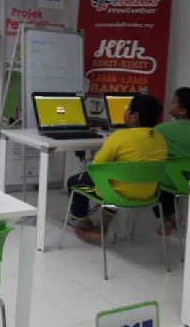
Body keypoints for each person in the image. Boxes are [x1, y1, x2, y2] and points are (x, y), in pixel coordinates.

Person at [67, 93, 167, 244]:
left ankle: (83, 224)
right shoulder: (160, 138)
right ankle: (102, 228)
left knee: (74, 182)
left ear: (135, 116)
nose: (125, 110)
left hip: (119, 193)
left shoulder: (119, 136)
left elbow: (96, 167)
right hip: (149, 193)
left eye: (128, 108)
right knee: (118, 182)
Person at [153, 87, 190, 234]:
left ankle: (171, 216)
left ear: (182, 111)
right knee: (171, 170)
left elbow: (142, 137)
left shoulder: (164, 129)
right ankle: (170, 218)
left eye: (174, 102)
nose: (169, 103)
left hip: (182, 181)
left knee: (150, 176)